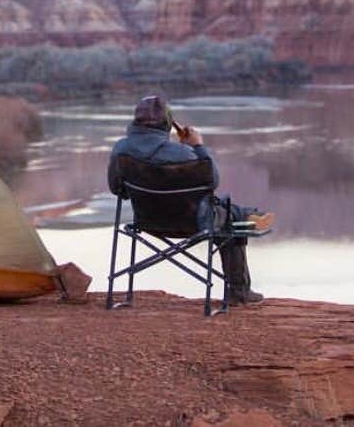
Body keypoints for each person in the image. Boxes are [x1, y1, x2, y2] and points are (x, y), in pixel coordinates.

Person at [107, 94, 273, 305]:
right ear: (168, 123)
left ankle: (248, 215)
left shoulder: (121, 150)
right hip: (194, 224)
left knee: (222, 210)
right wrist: (198, 146)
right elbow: (212, 181)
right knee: (229, 221)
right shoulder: (185, 154)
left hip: (147, 222)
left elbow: (117, 189)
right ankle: (239, 290)